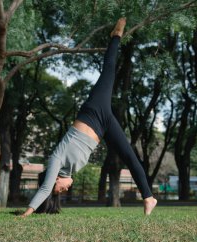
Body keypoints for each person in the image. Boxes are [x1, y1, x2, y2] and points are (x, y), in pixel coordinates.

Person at [21, 18, 157, 217]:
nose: (63, 191)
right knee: (129, 157)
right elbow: (49, 189)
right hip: (103, 126)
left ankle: (116, 36)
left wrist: (26, 214)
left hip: (93, 112)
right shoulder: (67, 171)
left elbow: (43, 190)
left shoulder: (55, 161)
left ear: (54, 181)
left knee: (108, 72)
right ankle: (149, 198)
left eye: (58, 190)